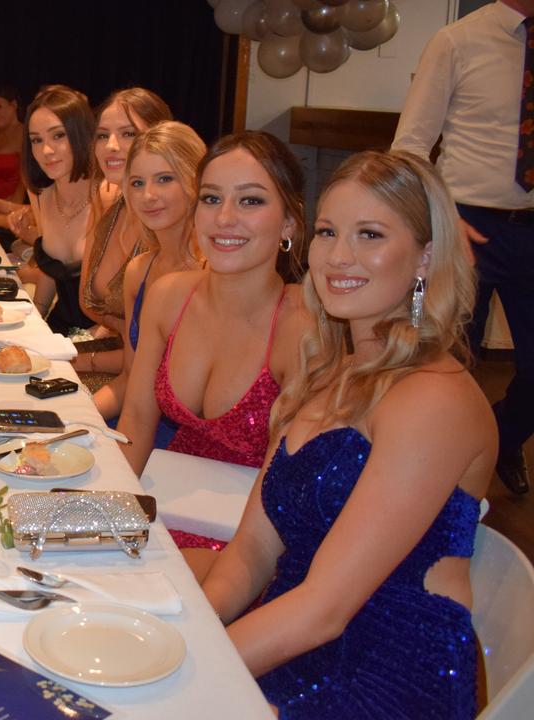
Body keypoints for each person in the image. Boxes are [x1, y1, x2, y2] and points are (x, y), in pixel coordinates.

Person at [202, 150, 494, 719]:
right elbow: (252, 552)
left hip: (383, 680)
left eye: (370, 235)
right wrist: (191, 636)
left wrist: (190, 674)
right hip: (292, 645)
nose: (339, 256)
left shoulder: (434, 397)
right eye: (330, 232)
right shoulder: (324, 373)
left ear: (424, 257)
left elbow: (324, 610)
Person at [392, 0, 534, 495]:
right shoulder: (458, 41)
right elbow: (409, 146)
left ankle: (499, 438)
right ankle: (438, 488)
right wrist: (442, 216)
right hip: (464, 224)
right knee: (447, 363)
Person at [118, 130, 309, 483]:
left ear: (289, 223)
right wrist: (109, 510)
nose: (224, 218)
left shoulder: (301, 326)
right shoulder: (167, 297)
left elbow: (283, 481)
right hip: (162, 502)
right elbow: (137, 421)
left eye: (250, 201)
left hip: (248, 524)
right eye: (211, 198)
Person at [88, 120, 201, 425]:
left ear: (195, 181)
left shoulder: (213, 272)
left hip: (188, 439)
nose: (147, 195)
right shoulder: (139, 270)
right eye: (137, 183)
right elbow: (131, 378)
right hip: (137, 420)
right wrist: (79, 418)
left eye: (164, 179)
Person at [0, 85, 97, 334]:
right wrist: (34, 321)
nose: (46, 150)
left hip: (98, 338)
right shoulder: (42, 195)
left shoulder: (108, 198)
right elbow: (52, 269)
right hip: (59, 328)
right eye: (37, 140)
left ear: (80, 134)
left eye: (58, 135)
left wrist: (77, 349)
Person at [74, 88, 174, 394]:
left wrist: (82, 359)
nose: (111, 146)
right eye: (102, 136)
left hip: (145, 388)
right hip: (106, 357)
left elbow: (154, 358)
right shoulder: (108, 200)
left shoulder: (171, 225)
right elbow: (88, 305)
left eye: (128, 133)